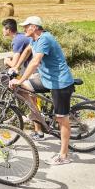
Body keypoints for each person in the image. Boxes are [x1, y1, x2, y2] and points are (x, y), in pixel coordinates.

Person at [9, 16, 75, 165]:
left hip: (60, 83)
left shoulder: (45, 39)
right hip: (47, 79)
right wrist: (16, 67)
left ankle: (64, 156)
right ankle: (37, 116)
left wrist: (20, 79)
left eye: (26, 26)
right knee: (21, 88)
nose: (23, 29)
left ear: (34, 27)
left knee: (61, 119)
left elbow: (35, 62)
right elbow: (27, 51)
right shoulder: (34, 39)